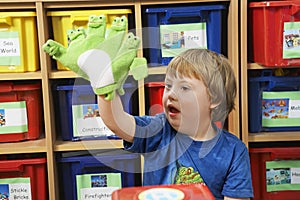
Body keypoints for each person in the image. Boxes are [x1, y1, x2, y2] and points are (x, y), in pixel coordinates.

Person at [98, 48, 254, 200]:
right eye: (168, 86)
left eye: (184, 88)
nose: (171, 94)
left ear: (214, 99)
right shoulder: (159, 129)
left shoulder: (234, 151)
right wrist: (105, 84)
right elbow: (116, 121)